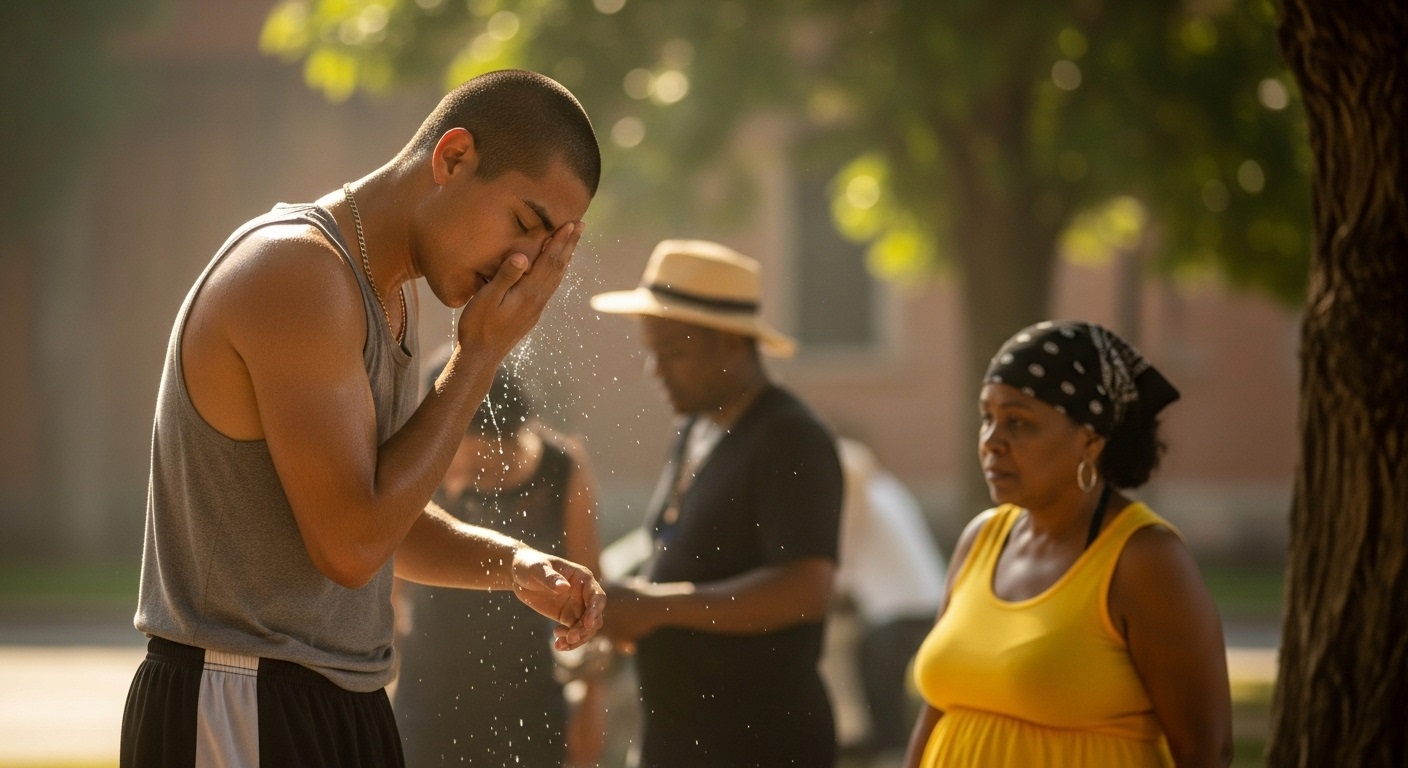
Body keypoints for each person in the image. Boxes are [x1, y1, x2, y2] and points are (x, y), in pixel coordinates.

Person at [120, 69, 606, 768]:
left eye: (547, 245)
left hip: (338, 694)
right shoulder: (297, 271)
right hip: (241, 694)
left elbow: (382, 518)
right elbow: (350, 546)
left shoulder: (389, 295)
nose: (523, 262)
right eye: (525, 224)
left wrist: (513, 563)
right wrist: (478, 358)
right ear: (453, 157)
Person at [903, 321, 1233, 767]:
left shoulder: (1144, 558)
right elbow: (936, 712)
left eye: (1018, 423)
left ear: (1089, 440)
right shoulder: (982, 538)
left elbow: (1204, 750)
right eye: (987, 418)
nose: (991, 442)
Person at [590, 239, 845, 768]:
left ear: (730, 344)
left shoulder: (789, 437)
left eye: (672, 353)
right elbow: (673, 549)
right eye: (651, 352)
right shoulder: (696, 428)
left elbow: (806, 589)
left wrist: (656, 607)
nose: (655, 370)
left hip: (761, 746)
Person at [393, 362, 608, 767]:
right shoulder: (422, 460)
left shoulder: (562, 470)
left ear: (512, 437)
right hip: (428, 697)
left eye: (482, 470)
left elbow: (590, 594)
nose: (455, 485)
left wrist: (592, 701)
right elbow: (390, 591)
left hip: (530, 700)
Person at [829, 437, 946, 762]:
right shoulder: (885, 488)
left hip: (895, 619)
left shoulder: (853, 485)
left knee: (889, 736)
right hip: (924, 609)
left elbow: (839, 569)